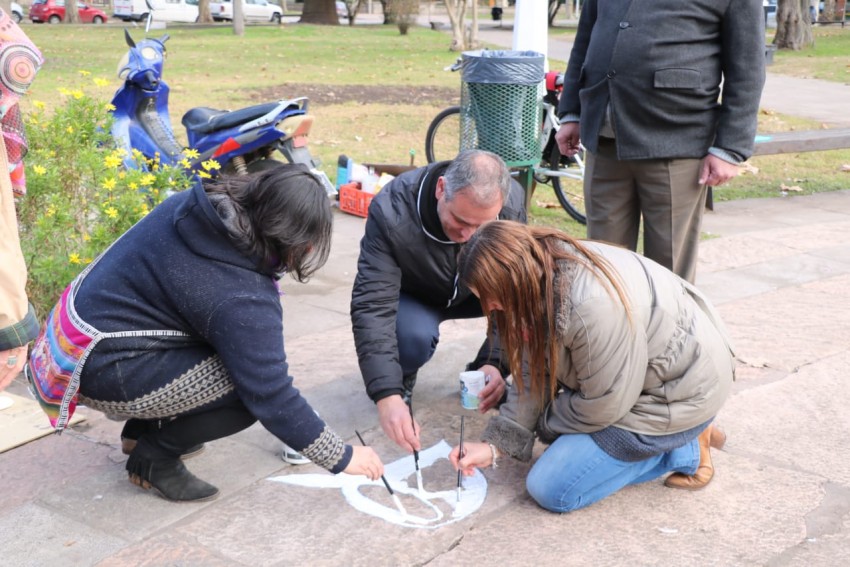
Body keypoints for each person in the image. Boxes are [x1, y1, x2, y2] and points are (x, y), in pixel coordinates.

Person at [26, 165, 384, 502]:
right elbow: (271, 394)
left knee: (223, 347)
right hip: (99, 366)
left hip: (69, 337)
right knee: (246, 392)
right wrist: (343, 456)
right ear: (297, 241)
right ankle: (156, 456)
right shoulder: (242, 296)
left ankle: (140, 433)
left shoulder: (198, 209)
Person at [450, 221, 735, 513]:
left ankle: (682, 447)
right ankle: (680, 436)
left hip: (678, 392)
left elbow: (604, 405)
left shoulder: (590, 307)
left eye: (492, 297)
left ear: (513, 277)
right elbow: (534, 366)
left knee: (553, 488)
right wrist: (497, 444)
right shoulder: (541, 270)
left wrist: (544, 423)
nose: (492, 306)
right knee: (563, 442)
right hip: (646, 380)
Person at [555, 0, 766, 283]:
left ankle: (669, 329)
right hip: (605, 141)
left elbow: (748, 68)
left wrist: (730, 147)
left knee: (669, 272)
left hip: (676, 140)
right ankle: (614, 328)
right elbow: (584, 42)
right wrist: (571, 113)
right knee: (602, 267)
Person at [351, 149, 526, 453]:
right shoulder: (393, 209)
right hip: (419, 293)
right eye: (460, 220)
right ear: (441, 188)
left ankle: (484, 371)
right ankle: (402, 376)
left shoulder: (510, 203)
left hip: (478, 292)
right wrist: (386, 393)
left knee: (529, 297)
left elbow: (514, 289)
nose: (468, 235)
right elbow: (373, 304)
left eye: (481, 226)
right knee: (411, 337)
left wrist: (496, 361)